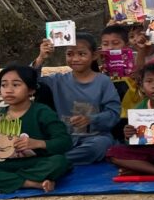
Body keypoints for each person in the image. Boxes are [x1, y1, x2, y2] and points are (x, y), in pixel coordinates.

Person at [33, 32, 120, 165]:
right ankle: (54, 160)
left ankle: (56, 161)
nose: (75, 59)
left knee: (100, 146)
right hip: (64, 137)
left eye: (82, 54)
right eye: (70, 54)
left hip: (95, 137)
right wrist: (41, 58)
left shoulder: (103, 81)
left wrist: (91, 119)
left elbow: (113, 113)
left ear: (94, 55)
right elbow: (28, 81)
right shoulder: (58, 80)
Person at [0, 66, 72, 193]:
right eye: (4, 85)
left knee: (59, 162)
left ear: (31, 90)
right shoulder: (0, 115)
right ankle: (32, 183)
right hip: (6, 164)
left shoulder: (42, 112)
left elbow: (65, 142)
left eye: (16, 85)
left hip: (37, 163)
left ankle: (11, 181)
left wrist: (38, 143)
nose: (8, 90)